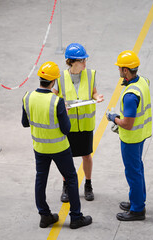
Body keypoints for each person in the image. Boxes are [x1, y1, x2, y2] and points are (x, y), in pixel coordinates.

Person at [22, 61, 92, 229]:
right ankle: (76, 217)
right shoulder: (57, 101)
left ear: (41, 79)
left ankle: (44, 216)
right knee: (72, 179)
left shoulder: (27, 97)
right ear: (53, 81)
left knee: (40, 180)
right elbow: (66, 129)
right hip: (59, 148)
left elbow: (25, 123)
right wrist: (65, 114)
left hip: (39, 147)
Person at [52, 43, 104, 202]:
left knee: (87, 155)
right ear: (72, 61)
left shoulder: (90, 74)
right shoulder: (60, 77)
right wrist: (60, 105)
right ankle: (66, 185)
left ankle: (88, 185)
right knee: (66, 158)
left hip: (86, 125)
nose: (85, 64)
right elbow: (52, 98)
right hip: (68, 126)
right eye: (82, 61)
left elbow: (94, 93)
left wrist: (97, 97)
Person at [106, 50, 152, 221]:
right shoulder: (143, 82)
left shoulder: (131, 96)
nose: (118, 70)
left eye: (120, 68)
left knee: (133, 172)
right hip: (141, 135)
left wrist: (114, 118)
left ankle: (138, 209)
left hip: (131, 138)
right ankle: (137, 199)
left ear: (126, 70)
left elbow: (127, 123)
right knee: (138, 169)